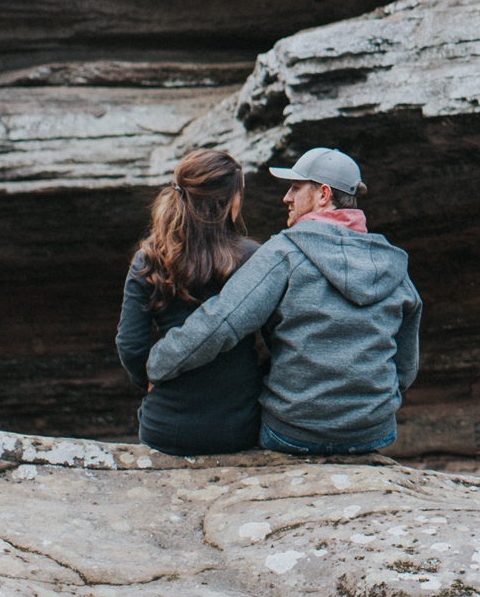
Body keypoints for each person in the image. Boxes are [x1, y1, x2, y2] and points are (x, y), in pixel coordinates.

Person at [147, 147, 422, 455]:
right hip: (373, 433)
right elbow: (406, 367)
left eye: (295, 188)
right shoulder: (392, 264)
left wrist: (157, 365)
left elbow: (220, 323)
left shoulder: (285, 253)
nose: (286, 198)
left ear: (323, 195)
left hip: (293, 434)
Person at [116, 148, 264, 455]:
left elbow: (130, 345)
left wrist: (149, 378)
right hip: (237, 427)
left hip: (166, 429)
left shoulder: (149, 259)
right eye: (240, 193)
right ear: (226, 201)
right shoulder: (252, 258)